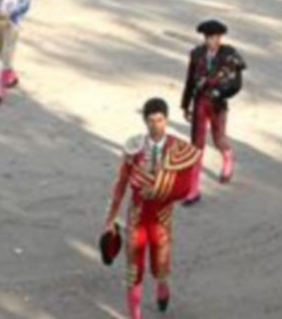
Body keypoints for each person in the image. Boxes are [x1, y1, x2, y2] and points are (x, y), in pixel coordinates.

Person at [102, 98, 202, 319]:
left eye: (160, 120)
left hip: (161, 219)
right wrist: (110, 218)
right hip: (136, 217)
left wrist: (156, 189)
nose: (156, 125)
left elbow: (183, 189)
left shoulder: (178, 149)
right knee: (133, 271)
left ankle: (162, 286)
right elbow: (120, 185)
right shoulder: (134, 147)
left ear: (166, 120)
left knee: (160, 266)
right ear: (144, 122)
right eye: (151, 120)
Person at [180, 19, 246, 205]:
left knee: (218, 139)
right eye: (209, 37)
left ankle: (228, 158)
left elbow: (236, 83)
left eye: (216, 37)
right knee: (196, 146)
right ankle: (193, 189)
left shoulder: (229, 54)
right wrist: (185, 105)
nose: (213, 41)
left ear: (220, 37)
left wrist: (221, 92)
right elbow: (190, 82)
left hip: (217, 104)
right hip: (200, 102)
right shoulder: (196, 54)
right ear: (205, 38)